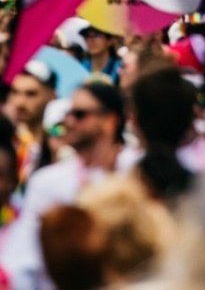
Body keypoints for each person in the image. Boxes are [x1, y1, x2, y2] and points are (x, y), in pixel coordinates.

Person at [2, 83, 135, 290]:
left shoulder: (137, 173)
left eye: (80, 114)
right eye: (69, 114)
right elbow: (25, 257)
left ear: (110, 121)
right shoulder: (47, 182)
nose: (69, 121)